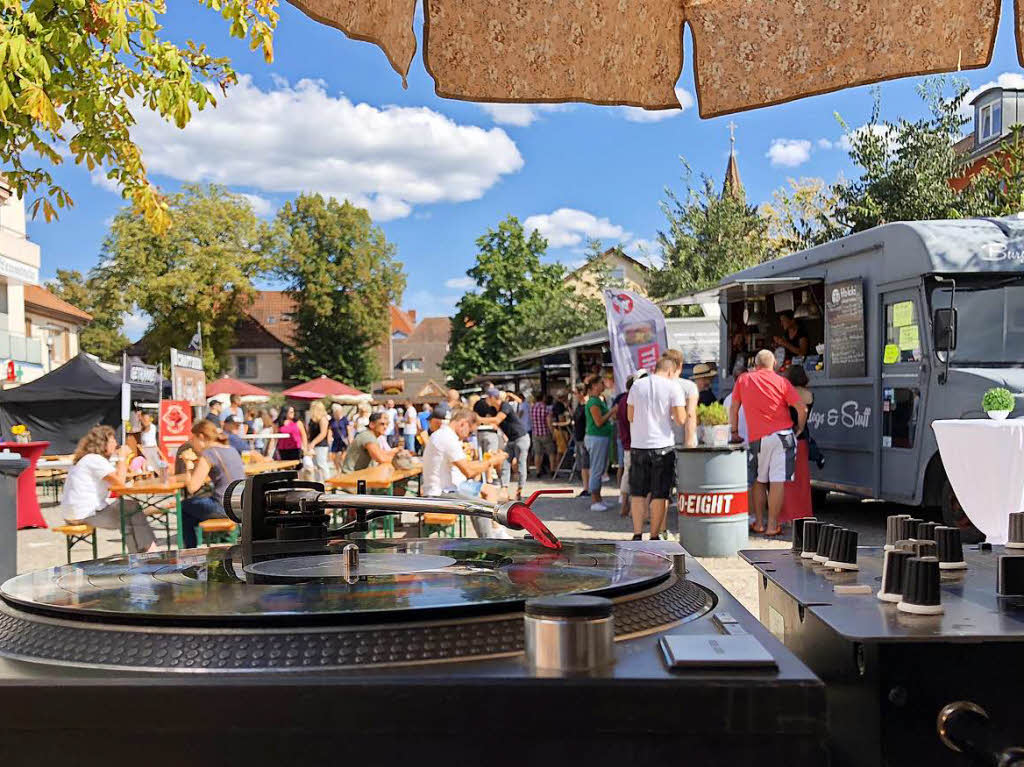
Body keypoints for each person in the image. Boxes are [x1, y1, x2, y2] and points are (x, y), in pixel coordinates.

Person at [729, 349, 808, 537]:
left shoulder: (744, 380)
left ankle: (758, 522)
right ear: (774, 365)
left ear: (756, 365)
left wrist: (734, 431)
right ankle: (773, 525)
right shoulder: (782, 381)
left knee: (759, 479)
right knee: (778, 480)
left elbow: (734, 407)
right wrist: (800, 428)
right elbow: (801, 408)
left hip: (757, 437)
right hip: (783, 436)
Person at [60, 425, 158, 553]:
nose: (116, 444)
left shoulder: (88, 459)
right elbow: (120, 482)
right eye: (113, 441)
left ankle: (140, 553)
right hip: (85, 513)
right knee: (130, 509)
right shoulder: (94, 460)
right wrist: (122, 457)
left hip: (76, 512)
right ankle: (149, 550)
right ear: (103, 443)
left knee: (129, 511)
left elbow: (116, 480)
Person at [627, 356, 688, 541]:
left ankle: (637, 534)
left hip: (638, 446)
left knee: (638, 492)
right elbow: (681, 419)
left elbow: (630, 415)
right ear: (670, 371)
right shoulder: (673, 386)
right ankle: (654, 536)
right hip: (663, 446)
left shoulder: (637, 385)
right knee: (660, 493)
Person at [421, 408, 508, 537]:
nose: (468, 436)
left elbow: (467, 466)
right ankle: (489, 544)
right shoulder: (447, 438)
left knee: (481, 501)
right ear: (463, 423)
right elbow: (469, 471)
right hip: (438, 495)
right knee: (481, 507)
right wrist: (492, 461)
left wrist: (488, 461)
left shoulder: (444, 435)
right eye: (470, 431)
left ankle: (491, 539)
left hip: (440, 492)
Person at [180, 419, 244, 548]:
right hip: (241, 503)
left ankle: (190, 552)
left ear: (202, 437)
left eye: (194, 439)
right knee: (194, 508)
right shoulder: (231, 449)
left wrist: (188, 466)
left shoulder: (209, 453)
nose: (192, 444)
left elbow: (192, 487)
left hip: (223, 506)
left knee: (183, 507)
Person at [483, 388, 531, 500]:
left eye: (488, 398)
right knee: (505, 462)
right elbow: (492, 421)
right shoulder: (493, 409)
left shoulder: (505, 406)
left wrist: (478, 419)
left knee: (521, 464)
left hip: (521, 438)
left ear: (493, 398)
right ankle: (504, 489)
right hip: (511, 439)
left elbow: (497, 420)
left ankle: (520, 490)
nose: (486, 400)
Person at [780, 365, 814, 522]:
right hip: (803, 439)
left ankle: (788, 514)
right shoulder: (809, 394)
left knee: (787, 479)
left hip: (788, 437)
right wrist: (801, 428)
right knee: (802, 480)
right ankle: (804, 513)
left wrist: (796, 428)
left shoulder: (787, 393)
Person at [583, 374, 616, 512]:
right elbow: (599, 422)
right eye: (601, 383)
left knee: (599, 469)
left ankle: (599, 498)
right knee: (596, 469)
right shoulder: (593, 402)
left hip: (600, 437)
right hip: (597, 437)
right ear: (595, 385)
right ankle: (595, 500)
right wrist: (612, 412)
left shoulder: (597, 400)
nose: (603, 386)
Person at [661, 349, 699, 448]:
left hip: (662, 442)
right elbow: (690, 414)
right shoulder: (689, 387)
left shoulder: (656, 386)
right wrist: (689, 442)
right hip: (681, 441)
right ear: (680, 365)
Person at [616, 375, 635, 518]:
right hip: (634, 443)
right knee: (633, 476)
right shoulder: (631, 401)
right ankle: (628, 507)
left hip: (626, 443)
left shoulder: (622, 400)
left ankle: (624, 504)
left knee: (626, 474)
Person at [473, 387, 501, 482]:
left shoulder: (478, 404)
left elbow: (475, 416)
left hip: (479, 432)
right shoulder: (494, 405)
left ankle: (479, 478)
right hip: (491, 432)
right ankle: (489, 479)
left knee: (480, 457)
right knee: (490, 456)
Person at [530, 394, 556, 478]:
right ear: (543, 398)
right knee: (551, 453)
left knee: (538, 453)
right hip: (545, 433)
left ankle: (538, 471)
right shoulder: (546, 408)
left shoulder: (532, 408)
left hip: (535, 433)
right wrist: (552, 432)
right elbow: (549, 422)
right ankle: (552, 470)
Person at [306, 401, 331, 482]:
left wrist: (313, 442)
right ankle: (318, 483)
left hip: (321, 445)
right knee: (315, 466)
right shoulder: (312, 420)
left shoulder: (323, 419)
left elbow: (323, 433)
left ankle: (328, 482)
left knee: (322, 464)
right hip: (314, 445)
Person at [571, 384, 590, 495]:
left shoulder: (587, 405)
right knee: (583, 464)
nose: (575, 396)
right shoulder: (580, 404)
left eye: (576, 393)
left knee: (586, 464)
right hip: (578, 437)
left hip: (585, 438)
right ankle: (585, 487)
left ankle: (588, 488)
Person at [329, 404, 350, 472]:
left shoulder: (344, 419)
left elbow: (348, 429)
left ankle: (343, 470)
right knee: (334, 457)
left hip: (343, 440)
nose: (339, 413)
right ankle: (338, 470)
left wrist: (350, 438)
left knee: (343, 457)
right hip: (336, 440)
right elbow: (330, 430)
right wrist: (329, 438)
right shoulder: (332, 420)